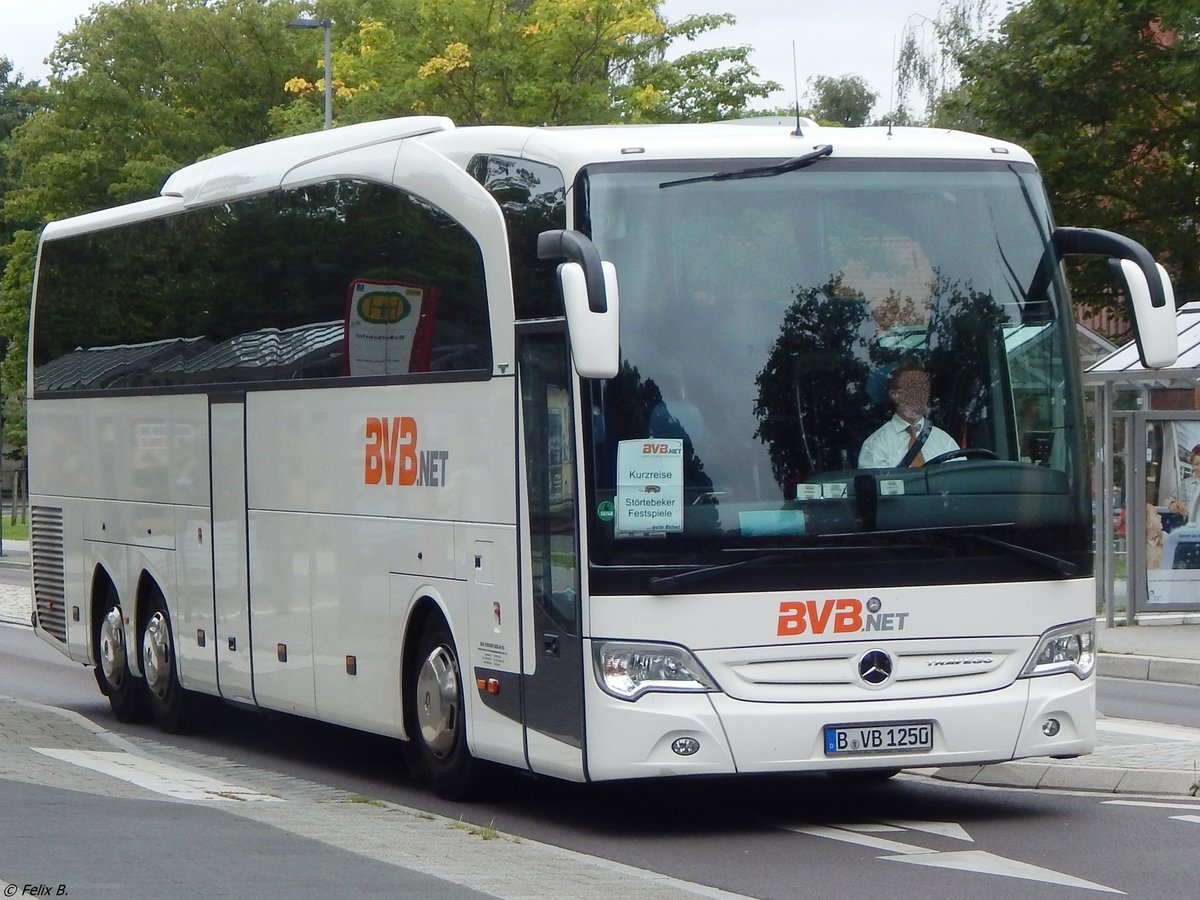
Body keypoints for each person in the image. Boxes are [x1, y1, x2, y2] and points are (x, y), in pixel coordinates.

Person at [858, 364, 959, 469]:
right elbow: (877, 484)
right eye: (913, 388)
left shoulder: (944, 441)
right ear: (895, 395)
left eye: (924, 388)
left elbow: (960, 478)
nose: (920, 395)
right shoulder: (876, 444)